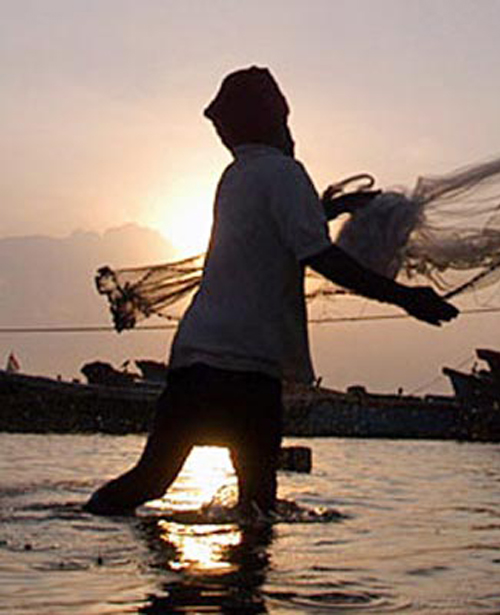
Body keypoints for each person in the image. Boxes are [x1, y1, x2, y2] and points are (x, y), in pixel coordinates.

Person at [84, 66, 458, 516]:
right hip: (246, 367)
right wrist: (406, 298)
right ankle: (248, 585)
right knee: (257, 503)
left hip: (196, 359)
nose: (290, 130)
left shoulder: (237, 175)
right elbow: (320, 257)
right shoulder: (284, 173)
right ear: (273, 120)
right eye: (283, 118)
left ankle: (84, 524)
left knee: (152, 480)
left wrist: (328, 208)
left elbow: (271, 233)